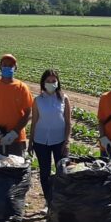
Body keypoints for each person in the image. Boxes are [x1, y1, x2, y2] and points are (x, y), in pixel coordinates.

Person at [30, 69, 71, 210]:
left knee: (62, 172)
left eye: (53, 81)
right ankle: (48, 201)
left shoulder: (64, 99)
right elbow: (34, 122)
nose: (51, 83)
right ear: (43, 83)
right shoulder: (37, 100)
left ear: (58, 82)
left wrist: (66, 141)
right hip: (41, 141)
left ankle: (60, 201)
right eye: (48, 81)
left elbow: (68, 122)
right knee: (45, 172)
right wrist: (31, 142)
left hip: (59, 140)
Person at [0, 54, 33, 157]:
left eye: (11, 65)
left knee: (16, 168)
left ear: (15, 68)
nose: (7, 67)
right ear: (0, 66)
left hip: (16, 139)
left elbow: (28, 113)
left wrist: (14, 133)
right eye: (5, 65)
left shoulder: (22, 88)